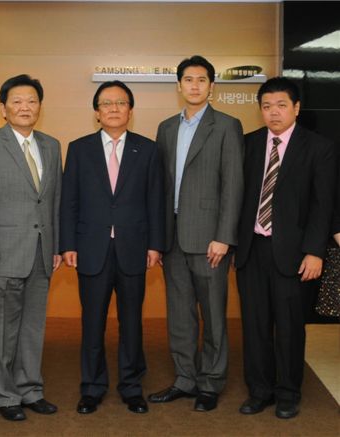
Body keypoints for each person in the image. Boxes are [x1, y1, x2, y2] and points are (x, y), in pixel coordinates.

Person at [60, 81, 164, 415]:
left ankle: (132, 387)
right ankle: (92, 387)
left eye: (121, 103)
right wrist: (67, 244)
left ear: (130, 111)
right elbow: (69, 201)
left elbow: (156, 201)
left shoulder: (147, 150)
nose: (114, 108)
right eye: (107, 103)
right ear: (97, 112)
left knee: (132, 323)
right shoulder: (79, 149)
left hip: (135, 248)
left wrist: (156, 245)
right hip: (91, 248)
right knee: (93, 323)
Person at [235, 77, 336, 419]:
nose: (273, 112)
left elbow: (323, 205)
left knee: (290, 329)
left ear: (296, 108)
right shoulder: (248, 144)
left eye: (281, 105)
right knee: (255, 327)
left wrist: (315, 252)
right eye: (266, 106)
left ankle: (288, 393)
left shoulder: (318, 147)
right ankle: (259, 391)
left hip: (295, 254)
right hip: (251, 250)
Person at [147, 55, 244, 412]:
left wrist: (224, 236)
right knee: (180, 314)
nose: (194, 86)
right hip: (172, 238)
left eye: (202, 80)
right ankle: (185, 378)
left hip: (209, 240)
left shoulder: (227, 126)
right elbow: (159, 187)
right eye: (188, 80)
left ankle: (211, 382)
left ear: (212, 86)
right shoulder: (166, 128)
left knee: (214, 315)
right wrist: (157, 239)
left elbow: (233, 184)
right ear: (179, 85)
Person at [0, 74, 62, 421]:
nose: (25, 107)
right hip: (3, 254)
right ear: (3, 108)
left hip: (41, 253)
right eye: (17, 101)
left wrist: (56, 245)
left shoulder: (51, 145)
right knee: (3, 330)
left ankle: (30, 389)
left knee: (33, 328)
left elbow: (53, 201)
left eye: (32, 101)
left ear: (40, 107)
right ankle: (6, 395)